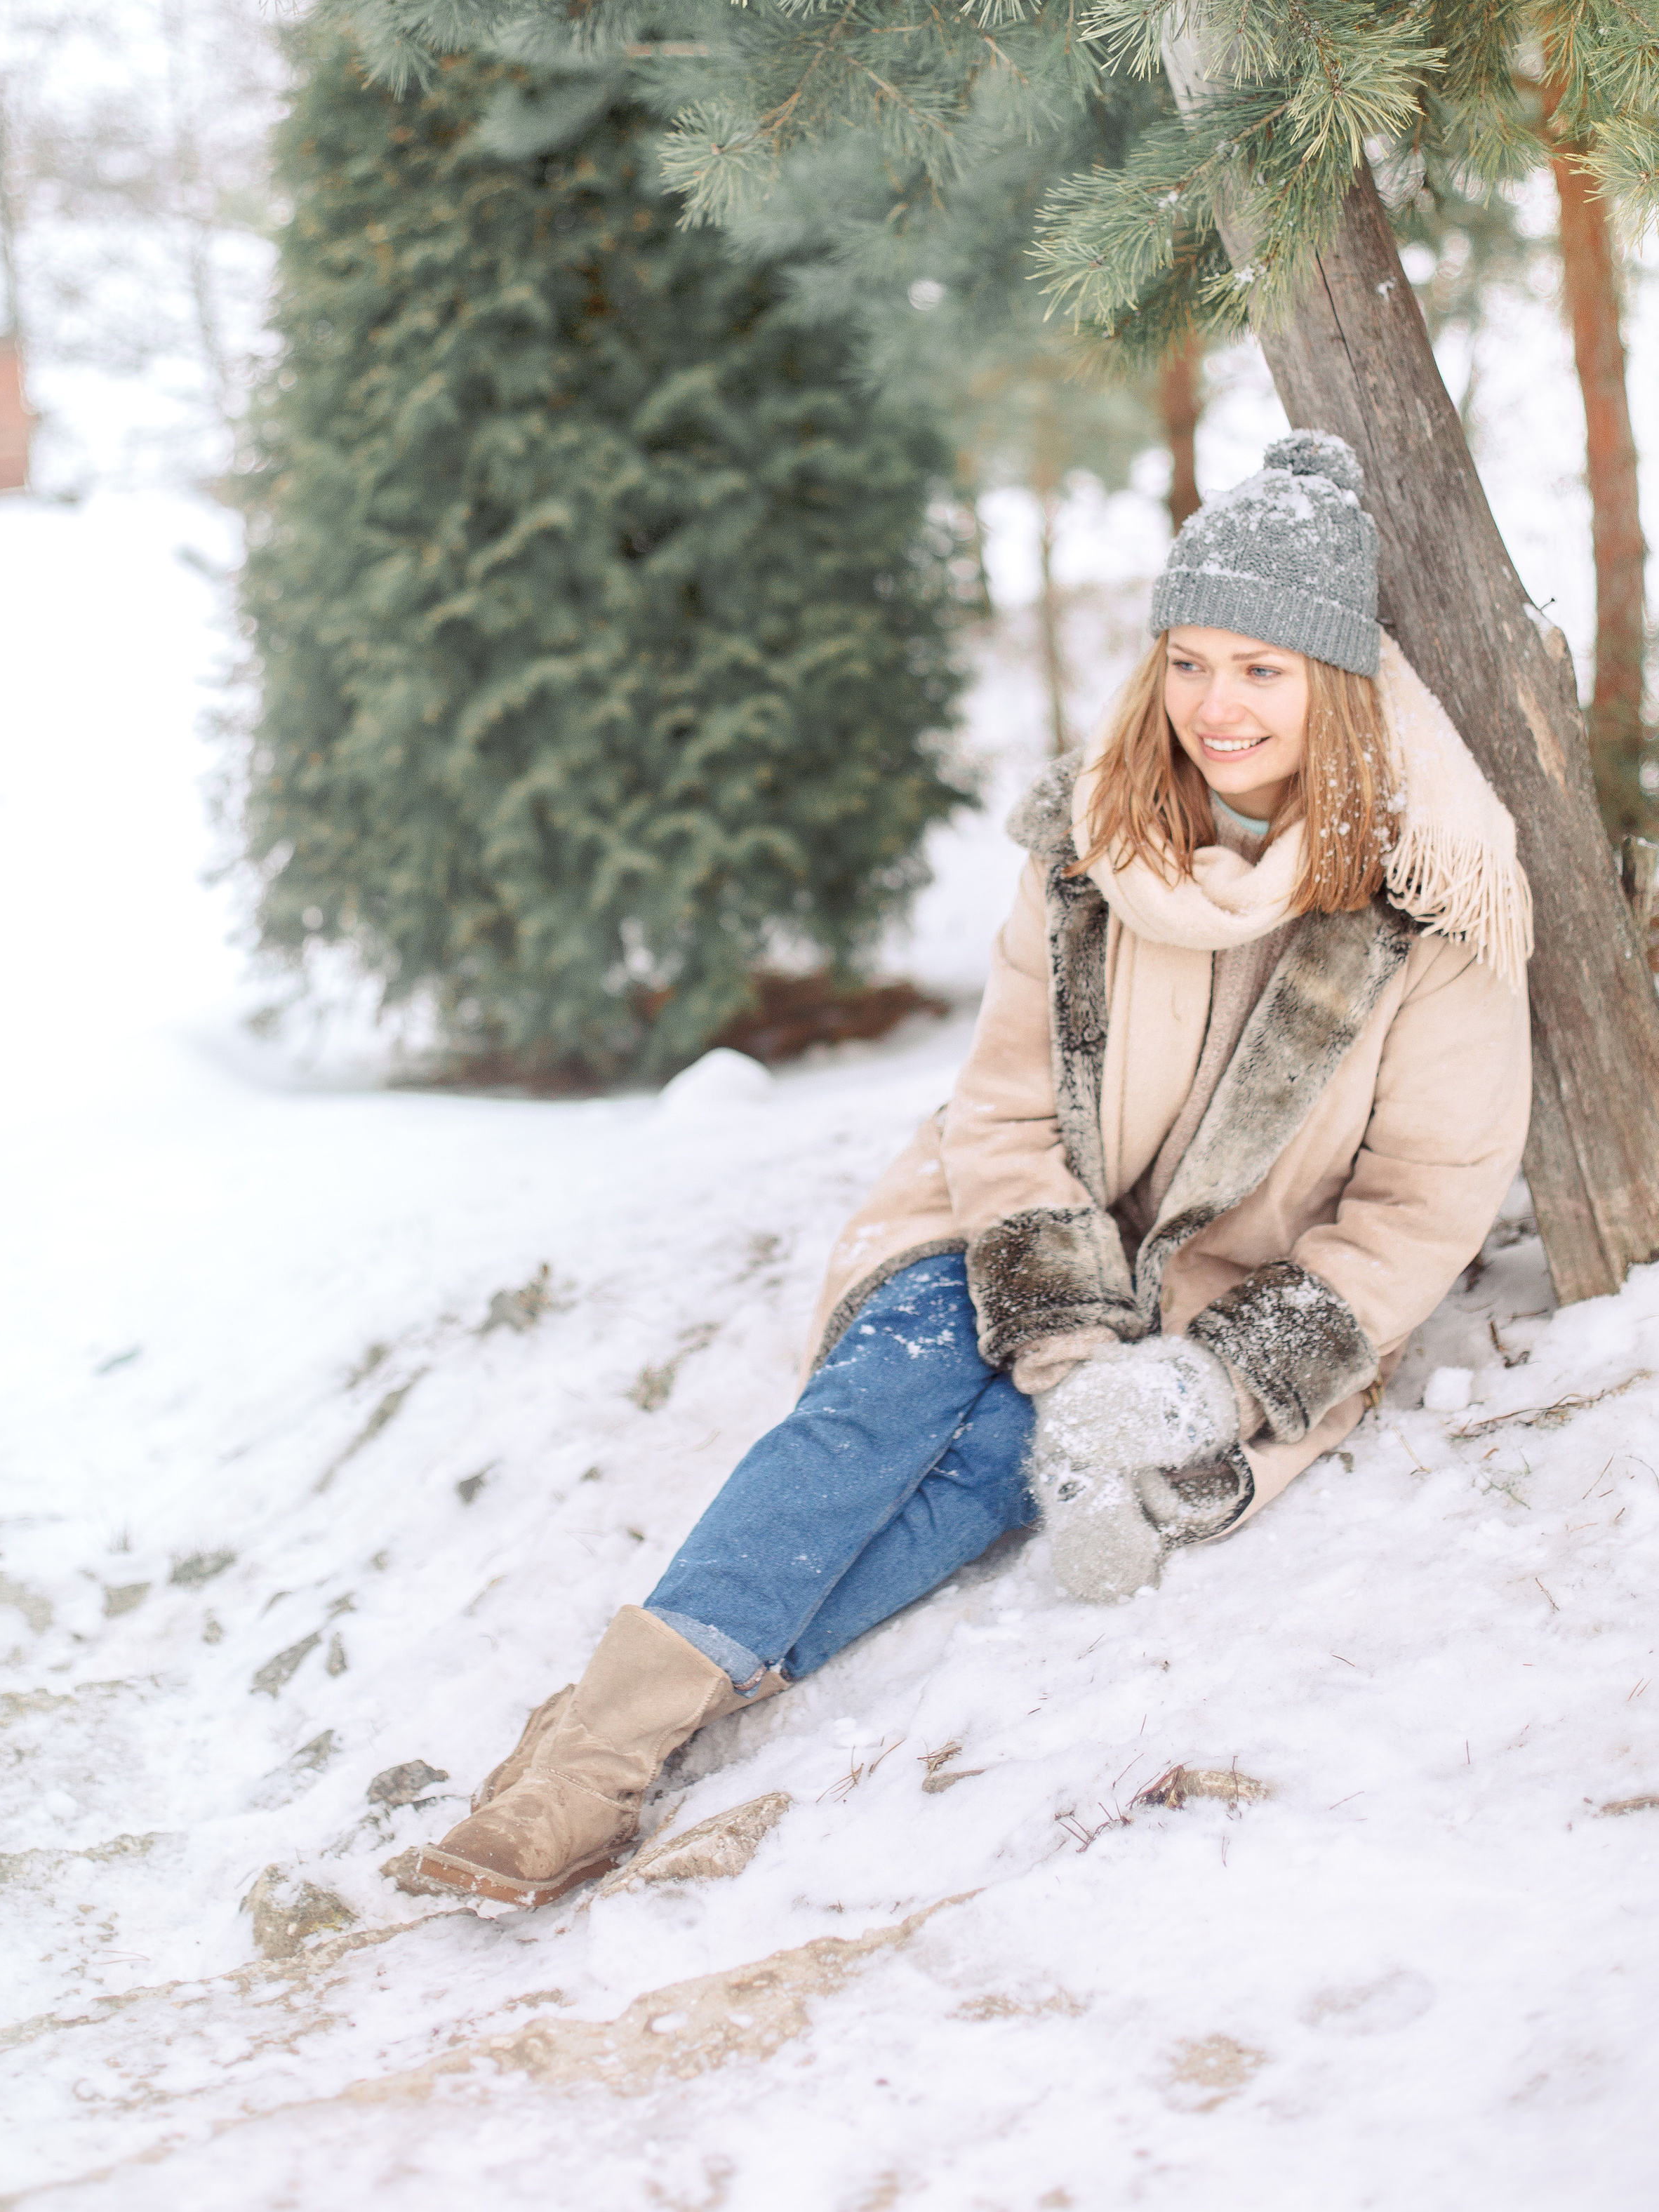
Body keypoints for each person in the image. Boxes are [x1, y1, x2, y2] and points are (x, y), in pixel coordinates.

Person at [402, 429, 1533, 1910]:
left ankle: (619, 1727)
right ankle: (592, 1771)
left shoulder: (1428, 907)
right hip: (1003, 1227)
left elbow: (1421, 1207)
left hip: (1213, 1300)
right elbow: (1001, 1115)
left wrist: (1201, 1386)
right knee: (889, 1394)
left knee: (988, 1469)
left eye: (1261, 669)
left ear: (1338, 681)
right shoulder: (1091, 851)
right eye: (1189, 663)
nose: (1216, 707)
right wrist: (1062, 1335)